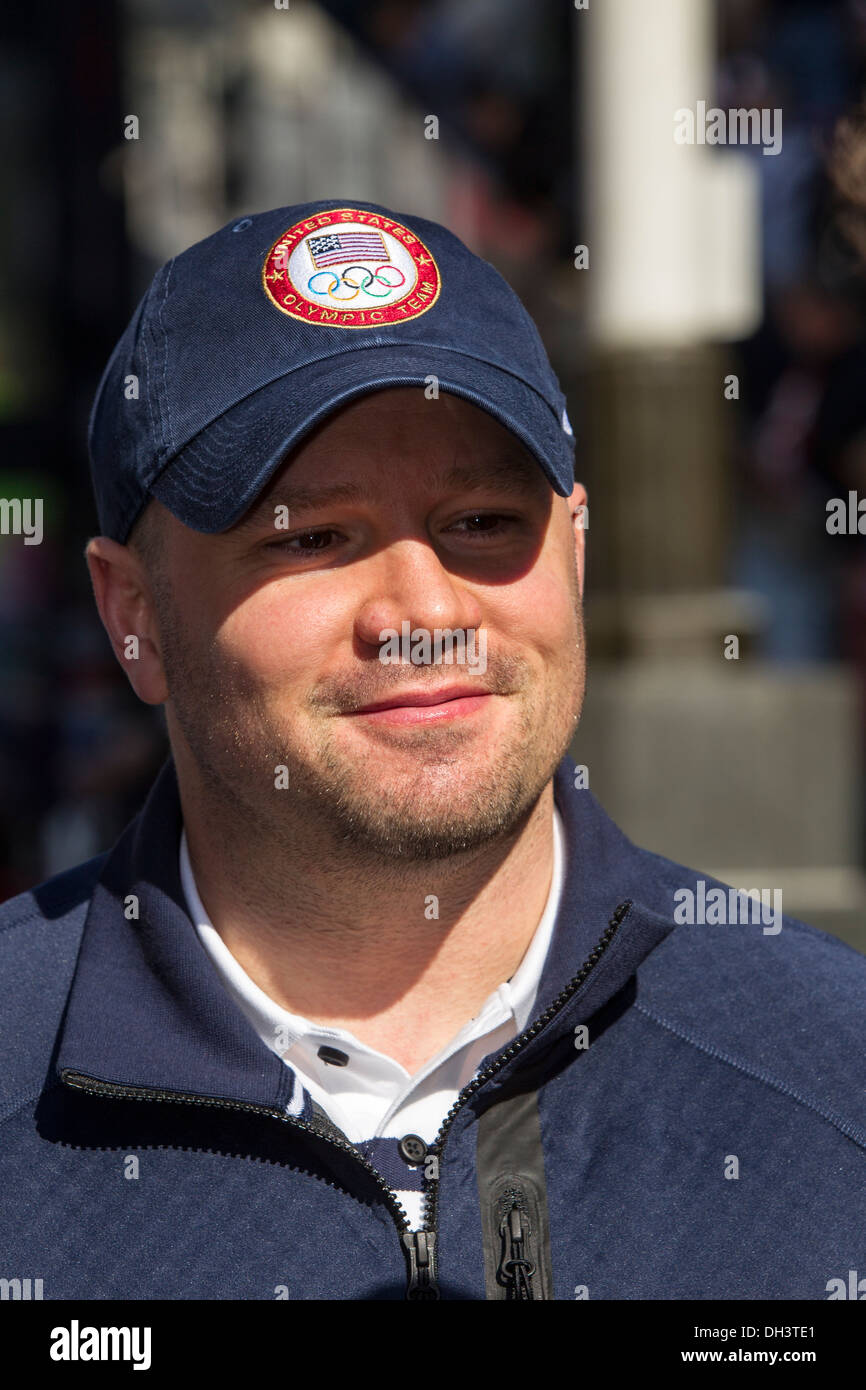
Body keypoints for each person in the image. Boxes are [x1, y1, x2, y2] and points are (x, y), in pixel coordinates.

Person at [1, 199, 864, 1302]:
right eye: (314, 538)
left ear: (577, 553)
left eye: (482, 523)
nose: (423, 613)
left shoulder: (831, 1078)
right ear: (135, 614)